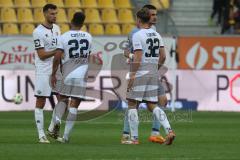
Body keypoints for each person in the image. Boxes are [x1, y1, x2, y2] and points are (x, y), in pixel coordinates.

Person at [121, 4, 175, 145]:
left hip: (140, 73)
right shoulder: (156, 34)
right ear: (148, 18)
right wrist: (154, 69)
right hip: (152, 73)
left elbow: (138, 58)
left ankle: (134, 139)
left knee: (132, 104)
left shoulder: (138, 35)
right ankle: (169, 130)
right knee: (153, 105)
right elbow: (163, 57)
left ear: (139, 20)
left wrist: (132, 75)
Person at [50, 11, 92, 143]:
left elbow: (57, 57)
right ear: (82, 23)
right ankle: (66, 137)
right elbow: (88, 56)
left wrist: (54, 73)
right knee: (74, 106)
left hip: (68, 72)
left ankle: (56, 122)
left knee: (62, 100)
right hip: (81, 74)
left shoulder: (64, 36)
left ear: (71, 21)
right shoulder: (88, 36)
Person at [32, 3, 61, 143]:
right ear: (44, 14)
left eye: (55, 13)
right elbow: (42, 55)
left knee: (62, 100)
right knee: (41, 101)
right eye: (51, 14)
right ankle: (41, 135)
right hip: (43, 70)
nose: (54, 16)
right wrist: (58, 51)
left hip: (56, 70)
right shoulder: (37, 31)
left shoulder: (57, 29)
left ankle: (51, 128)